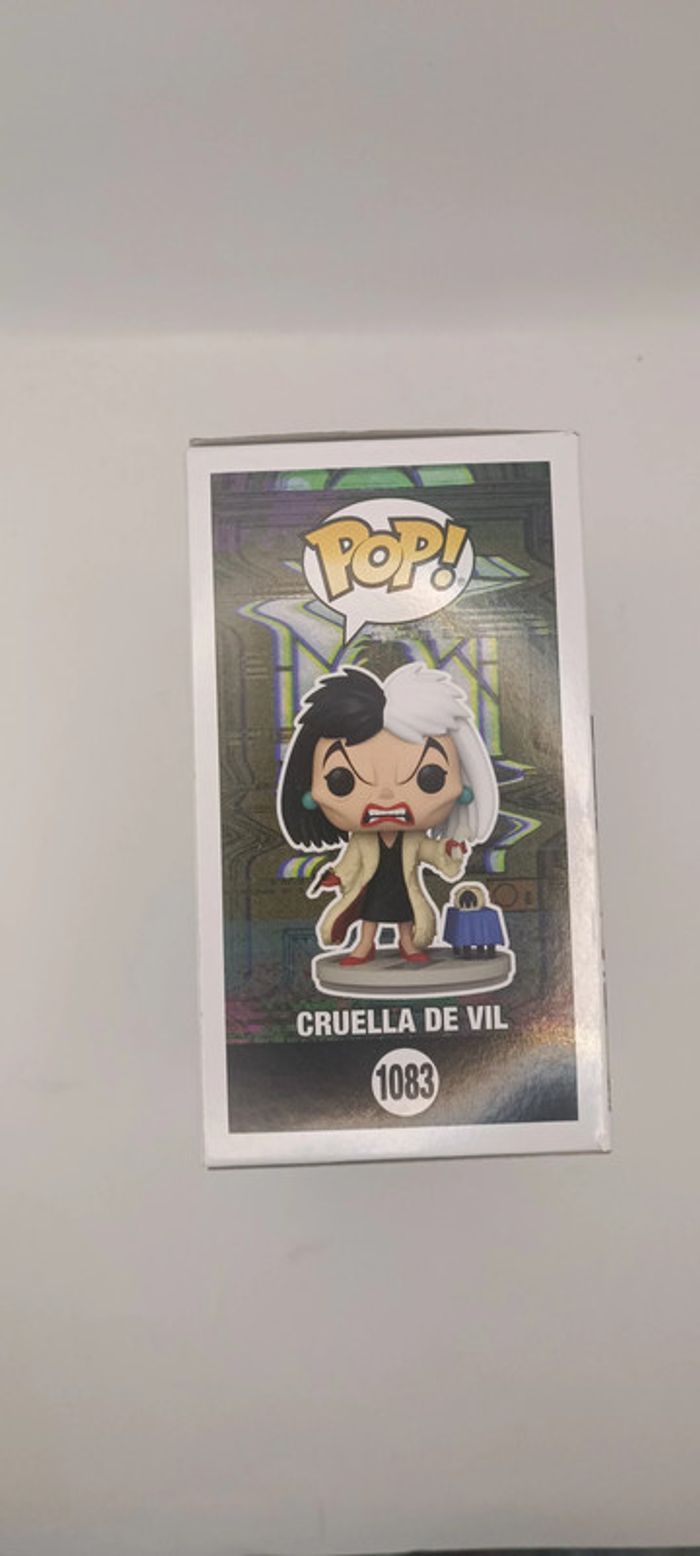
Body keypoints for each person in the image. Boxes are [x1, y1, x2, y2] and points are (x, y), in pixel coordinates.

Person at [278, 663, 498, 965]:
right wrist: (336, 877)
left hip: (403, 891)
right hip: (372, 889)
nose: (385, 797)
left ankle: (407, 944)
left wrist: (447, 849)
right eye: (342, 780)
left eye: (429, 777)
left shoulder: (414, 839)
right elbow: (349, 863)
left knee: (406, 918)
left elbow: (432, 852)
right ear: (310, 791)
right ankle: (363, 946)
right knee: (368, 918)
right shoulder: (362, 842)